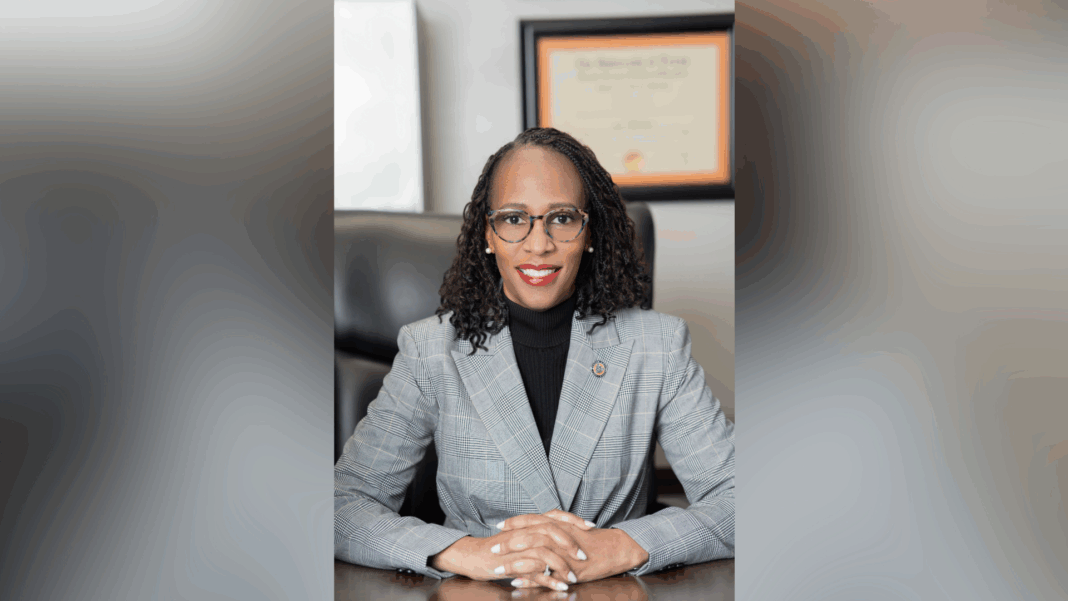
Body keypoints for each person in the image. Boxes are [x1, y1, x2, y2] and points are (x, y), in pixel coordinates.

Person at [334, 127, 734, 591]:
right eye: (513, 218)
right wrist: (466, 552)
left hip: (611, 590)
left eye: (562, 219)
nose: (538, 244)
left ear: (588, 233)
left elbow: (736, 498)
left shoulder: (656, 345)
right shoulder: (431, 350)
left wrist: (623, 544)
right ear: (488, 233)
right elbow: (344, 508)